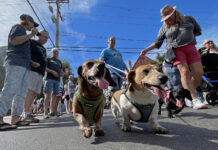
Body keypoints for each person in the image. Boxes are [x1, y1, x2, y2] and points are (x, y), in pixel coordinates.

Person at [140, 5, 207, 109]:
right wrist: (146, 50)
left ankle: (187, 94)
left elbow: (197, 31)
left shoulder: (188, 19)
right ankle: (194, 99)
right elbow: (157, 42)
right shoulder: (164, 27)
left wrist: (188, 38)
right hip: (175, 50)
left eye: (170, 17)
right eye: (166, 19)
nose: (168, 20)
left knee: (199, 74)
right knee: (184, 72)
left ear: (175, 13)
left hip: (191, 48)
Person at [0, 14, 39, 130]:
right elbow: (14, 41)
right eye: (33, 23)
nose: (33, 26)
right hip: (15, 63)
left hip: (25, 65)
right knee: (10, 89)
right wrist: (31, 35)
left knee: (21, 93)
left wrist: (32, 62)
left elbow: (21, 49)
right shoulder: (18, 27)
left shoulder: (25, 34)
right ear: (27, 20)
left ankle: (15, 119)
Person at [20, 30, 49, 123]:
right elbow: (25, 53)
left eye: (47, 38)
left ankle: (28, 113)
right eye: (45, 37)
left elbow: (44, 60)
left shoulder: (44, 49)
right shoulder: (32, 42)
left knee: (34, 92)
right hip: (32, 70)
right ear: (39, 35)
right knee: (30, 91)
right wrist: (32, 63)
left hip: (40, 73)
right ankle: (24, 114)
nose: (46, 39)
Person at [43, 48, 62, 119]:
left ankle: (52, 111)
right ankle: (45, 112)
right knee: (47, 95)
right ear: (52, 52)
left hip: (57, 80)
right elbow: (44, 68)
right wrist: (52, 72)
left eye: (57, 52)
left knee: (54, 95)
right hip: (49, 79)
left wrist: (62, 73)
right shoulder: (48, 59)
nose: (56, 53)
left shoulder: (59, 62)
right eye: (54, 51)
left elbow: (61, 71)